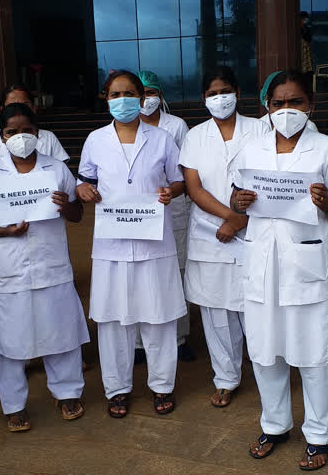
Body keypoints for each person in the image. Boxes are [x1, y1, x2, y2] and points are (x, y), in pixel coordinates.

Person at [232, 69, 328, 471]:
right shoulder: (251, 150)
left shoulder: (327, 149)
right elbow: (236, 199)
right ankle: (275, 425)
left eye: (295, 102)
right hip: (262, 264)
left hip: (306, 264)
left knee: (314, 355)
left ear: (311, 105)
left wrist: (326, 204)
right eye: (279, 103)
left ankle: (319, 435)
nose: (287, 110)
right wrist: (238, 202)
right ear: (266, 109)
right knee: (266, 353)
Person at [0, 104, 89, 432]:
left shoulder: (56, 170)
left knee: (61, 332)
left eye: (27, 131)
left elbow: (77, 216)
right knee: (10, 339)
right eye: (11, 132)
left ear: (38, 133)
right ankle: (13, 403)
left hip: (52, 266)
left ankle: (67, 393)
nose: (20, 137)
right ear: (0, 136)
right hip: (11, 270)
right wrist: (4, 232)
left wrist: (67, 206)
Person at [77, 70, 186, 417]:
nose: (122, 100)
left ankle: (162, 386)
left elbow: (179, 181)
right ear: (106, 99)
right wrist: (84, 191)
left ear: (141, 97)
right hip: (112, 243)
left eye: (128, 93)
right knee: (113, 320)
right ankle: (117, 388)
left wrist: (172, 191)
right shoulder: (95, 140)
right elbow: (84, 181)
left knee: (159, 315)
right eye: (114, 94)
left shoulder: (162, 138)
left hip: (154, 240)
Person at [180, 66, 269, 407]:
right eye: (212, 93)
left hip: (252, 229)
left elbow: (267, 179)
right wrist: (229, 217)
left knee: (254, 309)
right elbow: (193, 187)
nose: (220, 98)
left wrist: (240, 221)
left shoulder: (261, 129)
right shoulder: (194, 136)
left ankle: (266, 374)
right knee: (216, 312)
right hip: (209, 233)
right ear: (204, 98)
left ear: (238, 92)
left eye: (225, 91)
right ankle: (226, 378)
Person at [137, 70, 195, 362]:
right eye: (142, 92)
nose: (147, 99)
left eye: (151, 92)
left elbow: (186, 168)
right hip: (135, 215)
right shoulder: (124, 128)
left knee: (176, 272)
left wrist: (173, 190)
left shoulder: (176, 125)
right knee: (139, 272)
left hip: (172, 208)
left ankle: (180, 337)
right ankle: (138, 343)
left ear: (160, 95)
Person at [0, 84, 68, 170]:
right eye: (12, 105)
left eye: (24, 105)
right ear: (2, 110)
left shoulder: (48, 137)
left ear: (34, 107)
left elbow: (61, 172)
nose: (18, 110)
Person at [301, 11, 314, 77]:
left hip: (306, 48)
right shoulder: (297, 28)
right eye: (305, 18)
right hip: (301, 50)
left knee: (308, 67)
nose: (306, 20)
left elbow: (309, 38)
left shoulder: (306, 28)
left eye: (306, 19)